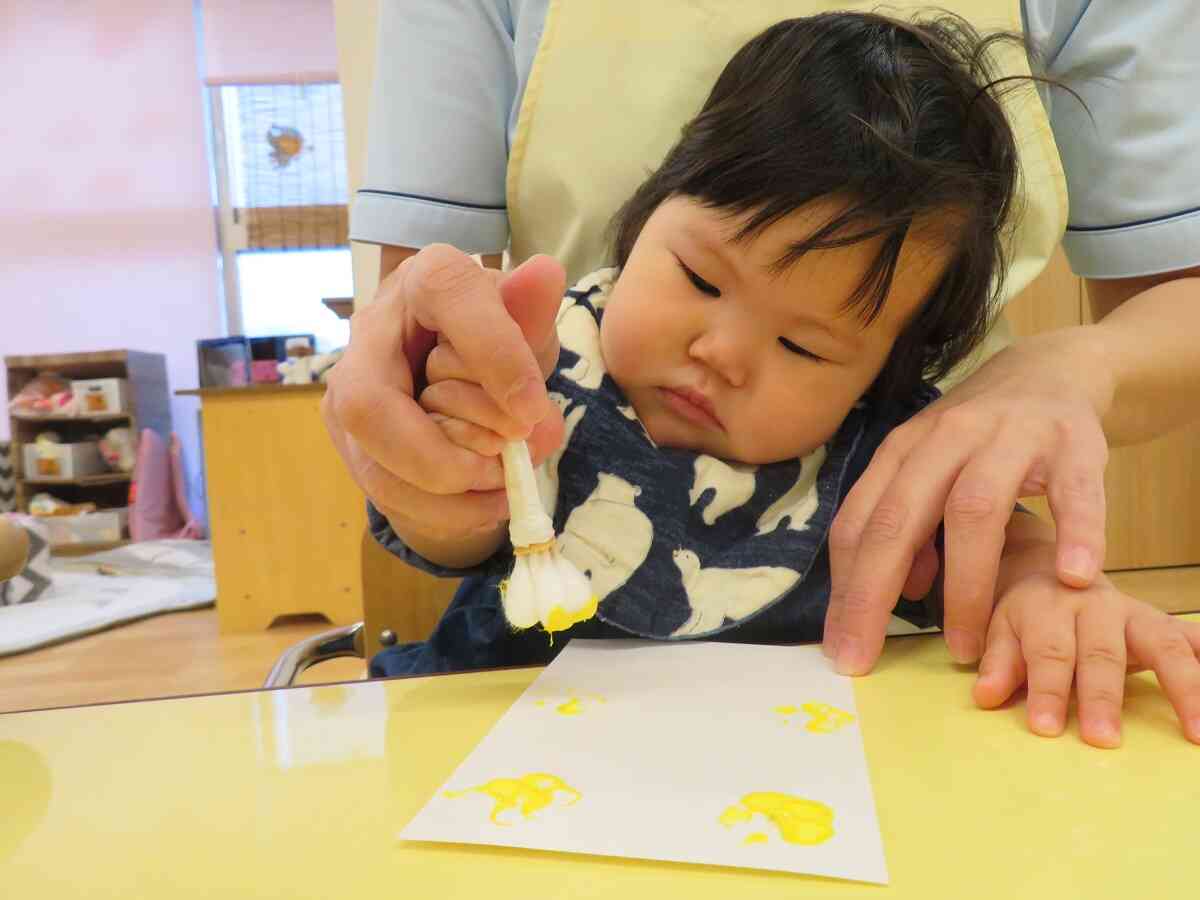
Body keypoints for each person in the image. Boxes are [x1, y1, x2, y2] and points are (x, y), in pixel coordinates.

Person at [326, 12, 1200, 747]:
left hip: (789, 773)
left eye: (806, 349)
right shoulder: (541, 352)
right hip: (503, 739)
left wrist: (1048, 588)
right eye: (701, 280)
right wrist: (449, 458)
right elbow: (442, 521)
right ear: (646, 215)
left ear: (883, 375)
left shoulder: (878, 441)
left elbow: (997, 546)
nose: (724, 353)